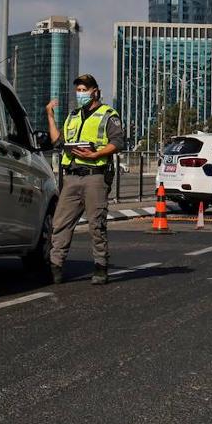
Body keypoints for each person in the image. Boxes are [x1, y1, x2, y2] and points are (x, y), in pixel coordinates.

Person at [45, 74, 124, 285]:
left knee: (96, 224)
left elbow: (118, 142)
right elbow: (58, 142)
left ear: (95, 92)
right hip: (71, 177)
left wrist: (96, 154)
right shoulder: (73, 116)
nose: (81, 94)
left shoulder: (108, 114)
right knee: (60, 224)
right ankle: (55, 267)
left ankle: (100, 267)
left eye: (84, 90)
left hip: (94, 176)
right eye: (78, 90)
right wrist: (50, 116)